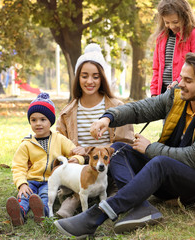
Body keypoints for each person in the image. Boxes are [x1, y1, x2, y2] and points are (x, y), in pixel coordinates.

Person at [53, 51, 195, 238]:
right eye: (181, 77)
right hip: (170, 179)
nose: (181, 83)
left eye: (188, 80)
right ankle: (141, 207)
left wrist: (151, 149)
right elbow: (139, 109)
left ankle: (95, 216)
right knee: (119, 150)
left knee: (160, 162)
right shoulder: (178, 96)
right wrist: (107, 118)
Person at [55, 43, 134, 218]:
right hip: (81, 166)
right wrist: (77, 155)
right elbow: (58, 141)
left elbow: (125, 143)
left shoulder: (117, 108)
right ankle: (73, 200)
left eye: (95, 76)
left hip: (109, 163)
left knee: (111, 168)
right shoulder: (67, 112)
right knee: (78, 170)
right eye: (84, 76)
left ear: (102, 78)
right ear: (78, 78)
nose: (90, 81)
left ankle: (113, 197)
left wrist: (100, 152)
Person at [5, 92, 84, 226]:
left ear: (50, 121)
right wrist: (22, 184)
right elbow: (18, 166)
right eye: (33, 120)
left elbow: (75, 151)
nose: (38, 124)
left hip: (50, 180)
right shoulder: (27, 144)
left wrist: (77, 159)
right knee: (25, 195)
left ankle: (42, 212)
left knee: (45, 196)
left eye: (43, 119)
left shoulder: (59, 139)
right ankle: (19, 213)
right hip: (31, 180)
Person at [150, 0, 195, 97]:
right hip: (162, 94)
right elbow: (156, 68)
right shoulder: (161, 38)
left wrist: (179, 81)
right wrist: (154, 93)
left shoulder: (194, 35)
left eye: (175, 22)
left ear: (185, 17)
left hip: (183, 92)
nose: (171, 26)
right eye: (167, 22)